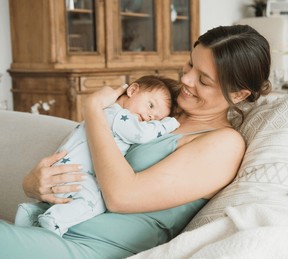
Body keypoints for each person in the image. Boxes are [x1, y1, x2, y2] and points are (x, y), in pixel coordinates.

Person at [0, 24, 271, 259]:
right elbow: (82, 151)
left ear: (238, 94)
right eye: (190, 64)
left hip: (92, 250)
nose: (186, 79)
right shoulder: (161, 105)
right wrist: (33, 184)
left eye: (203, 80)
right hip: (51, 226)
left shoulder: (223, 145)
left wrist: (94, 108)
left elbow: (121, 196)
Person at [14, 75, 181, 236]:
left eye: (156, 118)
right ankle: (55, 221)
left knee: (70, 199)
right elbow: (142, 134)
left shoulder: (104, 114)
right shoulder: (118, 116)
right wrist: (168, 123)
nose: (149, 117)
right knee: (94, 201)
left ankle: (31, 213)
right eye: (151, 105)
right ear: (133, 90)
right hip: (74, 174)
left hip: (65, 172)